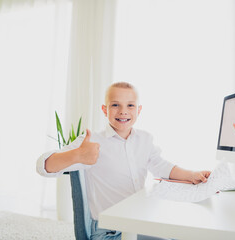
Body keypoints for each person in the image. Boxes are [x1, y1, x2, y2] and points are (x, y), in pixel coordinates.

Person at [36, 82, 211, 240]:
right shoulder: (91, 142)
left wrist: (192, 175)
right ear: (104, 110)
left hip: (138, 223)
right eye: (115, 105)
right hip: (109, 232)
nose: (123, 111)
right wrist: (76, 155)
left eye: (130, 105)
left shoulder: (145, 139)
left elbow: (162, 166)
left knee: (183, 234)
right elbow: (43, 166)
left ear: (138, 110)